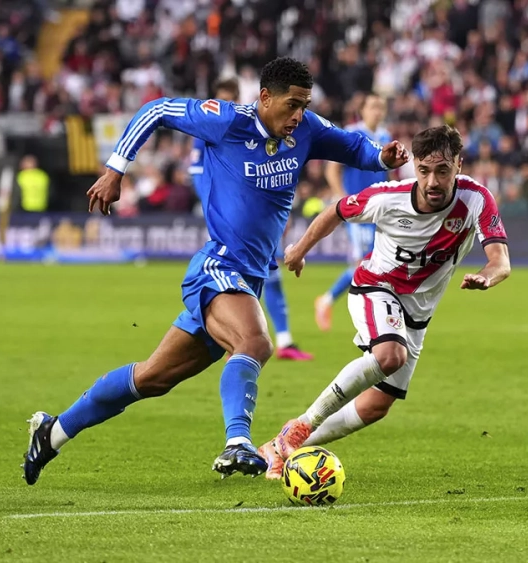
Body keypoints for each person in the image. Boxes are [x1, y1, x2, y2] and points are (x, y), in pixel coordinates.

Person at [23, 57, 409, 485]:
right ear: (264, 97)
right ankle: (237, 442)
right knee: (255, 342)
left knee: (152, 378)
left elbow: (352, 146)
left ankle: (52, 432)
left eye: (304, 104)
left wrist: (380, 155)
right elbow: (155, 110)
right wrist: (116, 170)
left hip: (249, 279)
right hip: (217, 266)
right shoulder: (226, 122)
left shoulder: (307, 130)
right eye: (291, 104)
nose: (298, 114)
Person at [258, 125, 511, 478]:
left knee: (377, 405)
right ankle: (300, 426)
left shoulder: (476, 198)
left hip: (417, 315)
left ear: (459, 165)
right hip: (376, 288)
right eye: (424, 170)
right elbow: (336, 211)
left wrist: (488, 275)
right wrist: (299, 250)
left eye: (443, 170)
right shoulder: (387, 197)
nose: (433, 181)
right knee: (390, 355)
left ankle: (281, 448)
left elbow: (501, 260)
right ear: (414, 168)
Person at [189, 77, 313, 361]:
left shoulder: (253, 127)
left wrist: (279, 216)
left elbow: (275, 174)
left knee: (271, 274)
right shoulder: (209, 129)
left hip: (256, 221)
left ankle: (280, 340)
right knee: (250, 276)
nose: (226, 105)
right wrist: (219, 210)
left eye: (231, 99)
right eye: (221, 100)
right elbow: (197, 174)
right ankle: (250, 338)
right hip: (226, 220)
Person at [316, 93, 393, 331]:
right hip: (359, 210)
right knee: (363, 262)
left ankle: (369, 309)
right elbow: (332, 170)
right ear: (363, 110)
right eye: (372, 106)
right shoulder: (352, 134)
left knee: (377, 260)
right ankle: (329, 301)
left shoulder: (385, 136)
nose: (377, 111)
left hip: (379, 209)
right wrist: (342, 197)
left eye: (380, 107)